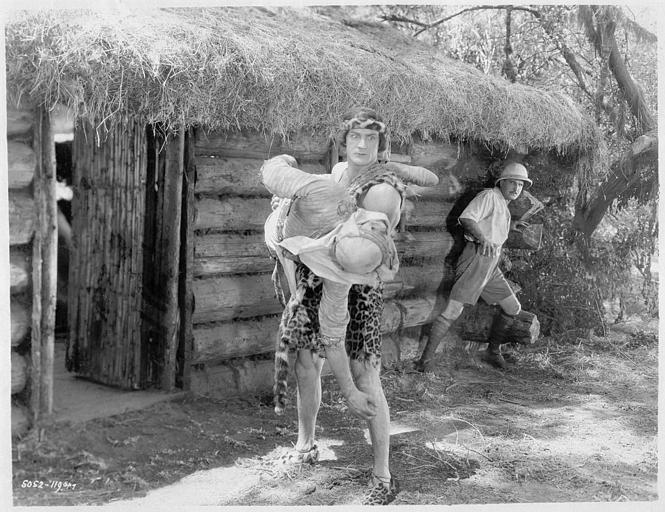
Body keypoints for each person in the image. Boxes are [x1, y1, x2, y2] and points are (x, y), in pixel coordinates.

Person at [262, 107, 437, 505]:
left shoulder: (383, 191)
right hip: (314, 274)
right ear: (343, 141)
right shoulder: (339, 172)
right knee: (306, 365)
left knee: (364, 376)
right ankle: (305, 445)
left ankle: (382, 475)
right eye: (355, 136)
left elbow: (359, 251)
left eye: (370, 138)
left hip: (357, 288)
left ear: (381, 144)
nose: (361, 144)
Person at [414, 162, 532, 373]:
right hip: (476, 258)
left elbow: (491, 223)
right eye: (512, 183)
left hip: (490, 264)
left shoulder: (502, 202)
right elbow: (467, 218)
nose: (516, 188)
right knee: (453, 310)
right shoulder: (489, 196)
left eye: (520, 185)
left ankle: (492, 352)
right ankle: (424, 362)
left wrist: (512, 226)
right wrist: (483, 238)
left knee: (513, 307)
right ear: (502, 182)